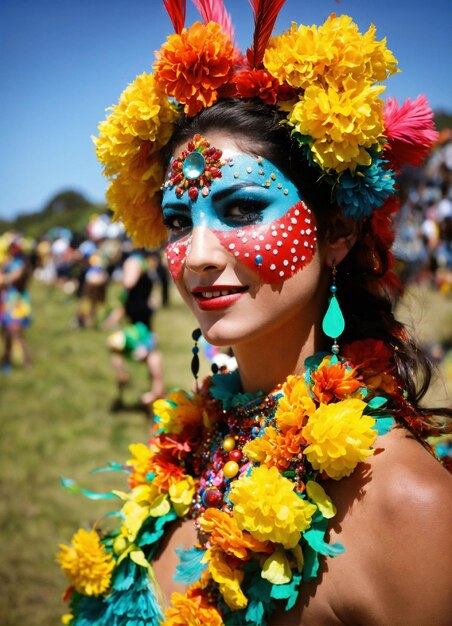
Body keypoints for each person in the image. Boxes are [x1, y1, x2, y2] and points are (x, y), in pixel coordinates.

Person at [57, 3, 452, 625]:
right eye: (181, 223)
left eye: (242, 209)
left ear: (338, 231)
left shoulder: (409, 503)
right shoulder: (192, 445)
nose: (197, 256)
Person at [104, 249, 165, 409]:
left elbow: (129, 283)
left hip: (139, 321)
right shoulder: (144, 263)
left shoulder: (134, 261)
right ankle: (154, 389)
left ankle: (155, 391)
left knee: (148, 353)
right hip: (139, 318)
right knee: (144, 351)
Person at [0, 236, 32, 371]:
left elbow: (14, 279)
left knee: (16, 333)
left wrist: (5, 278)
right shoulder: (7, 263)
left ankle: (26, 363)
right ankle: (7, 361)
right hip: (6, 300)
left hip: (16, 302)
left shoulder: (22, 264)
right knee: (6, 334)